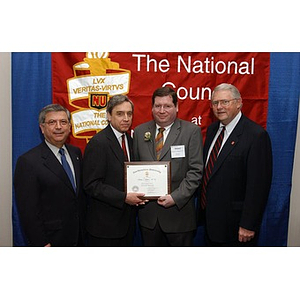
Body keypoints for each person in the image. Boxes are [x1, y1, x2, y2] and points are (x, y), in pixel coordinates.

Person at [200, 83, 273, 246]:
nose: (219, 107)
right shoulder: (212, 130)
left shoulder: (256, 136)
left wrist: (248, 225)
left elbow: (258, 187)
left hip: (236, 227)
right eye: (215, 103)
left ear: (239, 103)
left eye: (225, 102)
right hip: (211, 222)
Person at [133, 86, 203, 246]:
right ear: (152, 108)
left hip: (179, 216)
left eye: (167, 106)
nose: (162, 110)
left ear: (177, 107)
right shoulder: (139, 131)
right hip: (149, 217)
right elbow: (135, 168)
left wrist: (176, 197)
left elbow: (196, 171)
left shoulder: (191, 131)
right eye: (157, 106)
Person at [14, 104, 86, 246]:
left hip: (79, 236)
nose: (58, 127)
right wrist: (41, 242)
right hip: (51, 240)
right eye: (52, 122)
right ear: (42, 128)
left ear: (69, 127)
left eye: (63, 122)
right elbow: (28, 211)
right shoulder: (28, 161)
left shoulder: (75, 153)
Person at [83, 94, 145, 246]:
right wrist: (123, 197)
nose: (126, 118)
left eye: (129, 114)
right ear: (109, 116)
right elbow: (91, 185)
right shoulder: (98, 143)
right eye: (120, 113)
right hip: (105, 227)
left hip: (127, 224)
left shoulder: (130, 141)